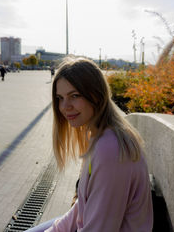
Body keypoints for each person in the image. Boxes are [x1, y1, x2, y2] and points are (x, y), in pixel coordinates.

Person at [27, 57, 153, 232]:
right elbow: (82, 207)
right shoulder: (99, 135)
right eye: (60, 98)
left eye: (74, 96)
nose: (64, 107)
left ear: (96, 94)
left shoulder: (110, 148)